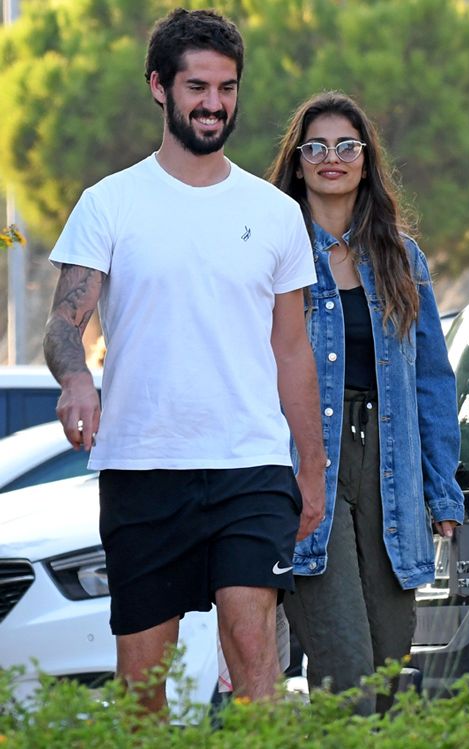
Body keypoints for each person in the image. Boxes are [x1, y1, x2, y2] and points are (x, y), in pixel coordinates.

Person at [43, 8, 326, 712]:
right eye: (197, 86)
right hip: (142, 466)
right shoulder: (108, 204)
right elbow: (63, 321)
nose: (213, 103)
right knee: (143, 690)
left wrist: (312, 470)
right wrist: (75, 376)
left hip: (249, 467)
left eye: (226, 87)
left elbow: (291, 350)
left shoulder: (274, 213)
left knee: (253, 646)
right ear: (158, 87)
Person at [267, 91, 464, 714]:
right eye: (316, 147)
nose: (332, 158)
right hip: (309, 467)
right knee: (346, 673)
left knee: (388, 667)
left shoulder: (402, 259)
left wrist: (442, 491)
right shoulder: (275, 255)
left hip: (391, 468)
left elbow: (432, 379)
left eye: (346, 146)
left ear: (365, 159)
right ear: (297, 163)